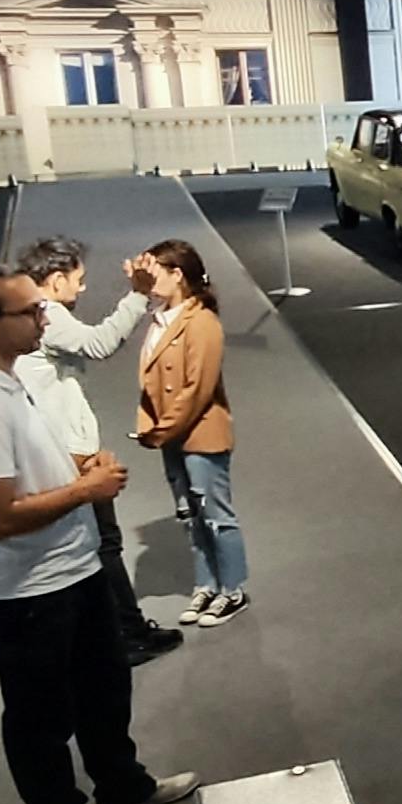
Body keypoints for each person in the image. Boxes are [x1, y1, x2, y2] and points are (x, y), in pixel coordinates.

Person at [0, 263, 195, 804]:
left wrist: (77, 466)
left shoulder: (7, 381)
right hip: (26, 586)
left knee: (103, 686)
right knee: (41, 713)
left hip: (70, 567)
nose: (45, 318)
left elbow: (25, 468)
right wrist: (85, 490)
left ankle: (122, 786)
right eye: (31, 311)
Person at [15, 236, 183, 667]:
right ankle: (126, 635)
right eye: (78, 279)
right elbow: (99, 343)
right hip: (68, 454)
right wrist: (138, 295)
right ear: (55, 280)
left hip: (50, 447)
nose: (83, 288)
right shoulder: (47, 313)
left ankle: (104, 634)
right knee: (103, 544)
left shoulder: (21, 309)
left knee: (86, 546)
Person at [137, 240, 253, 627]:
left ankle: (232, 590)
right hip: (170, 434)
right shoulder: (159, 318)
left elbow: (197, 388)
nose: (148, 279)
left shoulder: (202, 321)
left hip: (200, 432)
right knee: (190, 515)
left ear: (177, 275)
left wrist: (162, 429)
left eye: (155, 271)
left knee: (216, 514)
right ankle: (207, 584)